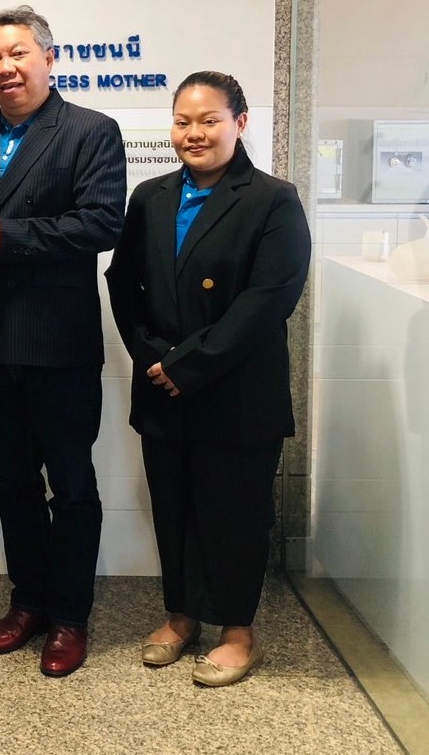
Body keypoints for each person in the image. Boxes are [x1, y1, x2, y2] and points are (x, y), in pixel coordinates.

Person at [0, 6, 126, 677]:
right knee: (11, 481)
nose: (5, 68)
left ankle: (70, 615)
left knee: (70, 484)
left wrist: (7, 234)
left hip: (59, 341)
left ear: (50, 57)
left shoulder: (90, 131)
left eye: (17, 53)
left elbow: (101, 223)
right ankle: (29, 601)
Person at [107, 70, 311, 687]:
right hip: (161, 385)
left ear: (239, 124)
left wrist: (188, 364)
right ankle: (181, 616)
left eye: (209, 120)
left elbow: (270, 297)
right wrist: (151, 356)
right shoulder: (151, 196)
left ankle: (238, 632)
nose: (194, 133)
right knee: (173, 507)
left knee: (235, 514)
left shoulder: (272, 198)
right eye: (183, 121)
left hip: (236, 389)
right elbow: (123, 282)